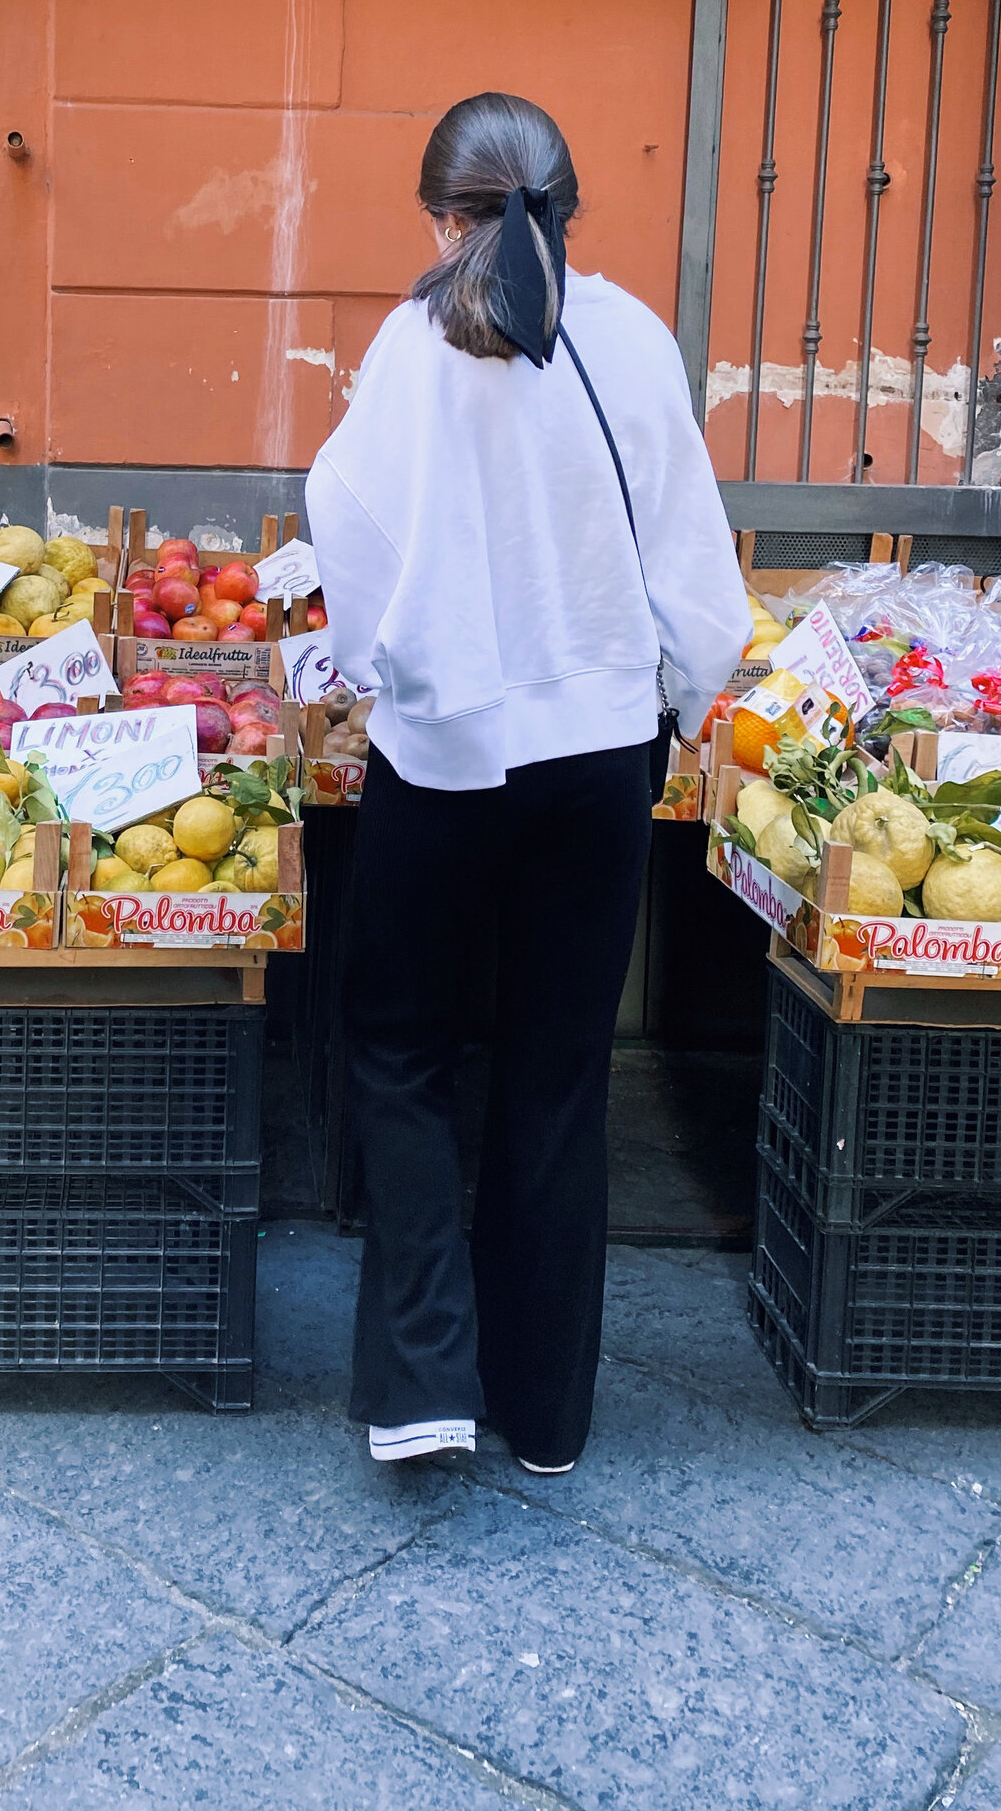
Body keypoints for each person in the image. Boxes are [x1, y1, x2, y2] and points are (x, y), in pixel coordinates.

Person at [307, 92, 748, 1474]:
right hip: (601, 761)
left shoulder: (406, 343)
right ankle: (545, 1415)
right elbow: (693, 571)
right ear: (564, 205)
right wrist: (667, 702)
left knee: (401, 1049)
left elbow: (351, 530)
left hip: (442, 759)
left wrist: (372, 669)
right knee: (557, 1077)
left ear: (443, 216)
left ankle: (422, 1383)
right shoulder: (632, 338)